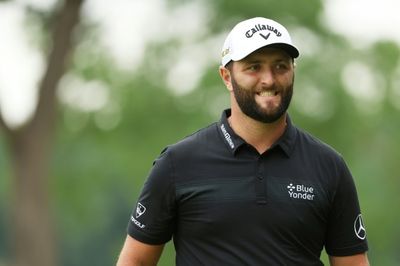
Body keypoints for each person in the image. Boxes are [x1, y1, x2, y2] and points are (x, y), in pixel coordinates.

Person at [117, 17, 369, 266]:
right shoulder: (177, 163)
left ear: (293, 71)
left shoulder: (329, 166)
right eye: (254, 67)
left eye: (280, 66)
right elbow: (135, 261)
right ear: (227, 76)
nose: (269, 79)